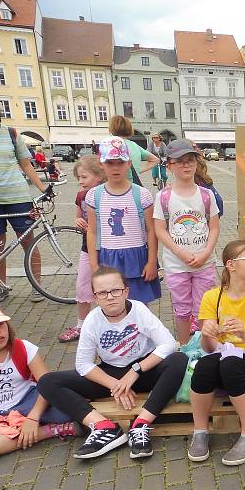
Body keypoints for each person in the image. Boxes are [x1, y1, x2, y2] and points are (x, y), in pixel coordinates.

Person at [36, 266, 188, 459]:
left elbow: (167, 344)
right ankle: (104, 428)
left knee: (179, 360)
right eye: (102, 293)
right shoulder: (92, 320)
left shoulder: (139, 310)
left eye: (116, 290)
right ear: (95, 297)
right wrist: (116, 385)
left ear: (126, 291)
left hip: (145, 371)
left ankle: (140, 425)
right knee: (48, 382)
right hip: (112, 375)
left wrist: (135, 371)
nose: (110, 297)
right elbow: (83, 365)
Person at [187, 240, 245, 466]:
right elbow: (208, 350)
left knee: (230, 364)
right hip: (223, 357)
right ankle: (200, 431)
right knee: (203, 366)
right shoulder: (213, 297)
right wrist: (207, 334)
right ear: (231, 265)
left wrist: (243, 333)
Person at [153, 139, 219, 344]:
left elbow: (214, 227)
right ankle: (182, 347)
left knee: (204, 309)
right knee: (181, 309)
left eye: (190, 160)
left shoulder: (207, 195)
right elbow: (160, 230)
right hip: (176, 264)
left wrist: (206, 252)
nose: (186, 165)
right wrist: (179, 252)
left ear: (197, 163)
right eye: (180, 161)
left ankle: (204, 348)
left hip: (204, 262)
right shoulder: (163, 196)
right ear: (170, 165)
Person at [0, 305, 80, 456]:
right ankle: (49, 431)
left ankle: (19, 430)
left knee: (68, 410)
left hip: (26, 400)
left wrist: (33, 417)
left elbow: (48, 384)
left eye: (0, 324)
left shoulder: (23, 348)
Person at [85, 137, 161, 303]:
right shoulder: (94, 196)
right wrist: (94, 265)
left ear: (128, 163)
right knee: (112, 303)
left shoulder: (142, 194)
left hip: (137, 257)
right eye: (110, 163)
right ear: (101, 164)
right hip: (108, 257)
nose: (115, 168)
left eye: (120, 162)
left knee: (139, 307)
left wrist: (151, 261)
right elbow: (92, 231)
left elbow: (151, 230)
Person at [0, 98, 46, 303]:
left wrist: (44, 188)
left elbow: (26, 165)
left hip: (18, 196)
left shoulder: (11, 133)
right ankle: (1, 287)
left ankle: (37, 286)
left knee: (28, 242)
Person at [58, 155, 106, 342]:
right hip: (87, 247)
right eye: (79, 177)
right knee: (83, 286)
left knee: (110, 286)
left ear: (99, 176)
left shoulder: (106, 194)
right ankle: (81, 325)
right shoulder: (81, 196)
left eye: (84, 177)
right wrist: (78, 221)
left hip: (108, 248)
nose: (80, 181)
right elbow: (78, 217)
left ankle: (110, 322)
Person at [108, 116, 159, 185]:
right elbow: (155, 160)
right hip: (133, 187)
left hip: (114, 187)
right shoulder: (134, 145)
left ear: (111, 128)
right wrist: (137, 170)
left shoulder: (108, 145)